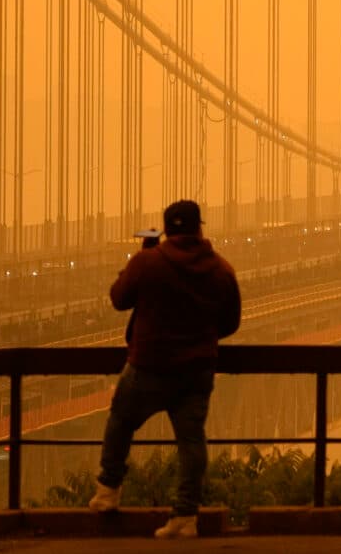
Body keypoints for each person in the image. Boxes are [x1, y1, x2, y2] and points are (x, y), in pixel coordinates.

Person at [89, 200, 241, 539]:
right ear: (199, 228)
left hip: (148, 367)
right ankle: (186, 516)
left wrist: (140, 257)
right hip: (197, 371)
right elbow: (231, 323)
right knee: (191, 442)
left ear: (166, 230)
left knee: (120, 421)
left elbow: (119, 298)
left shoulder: (148, 262)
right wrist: (200, 338)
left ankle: (108, 492)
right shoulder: (221, 269)